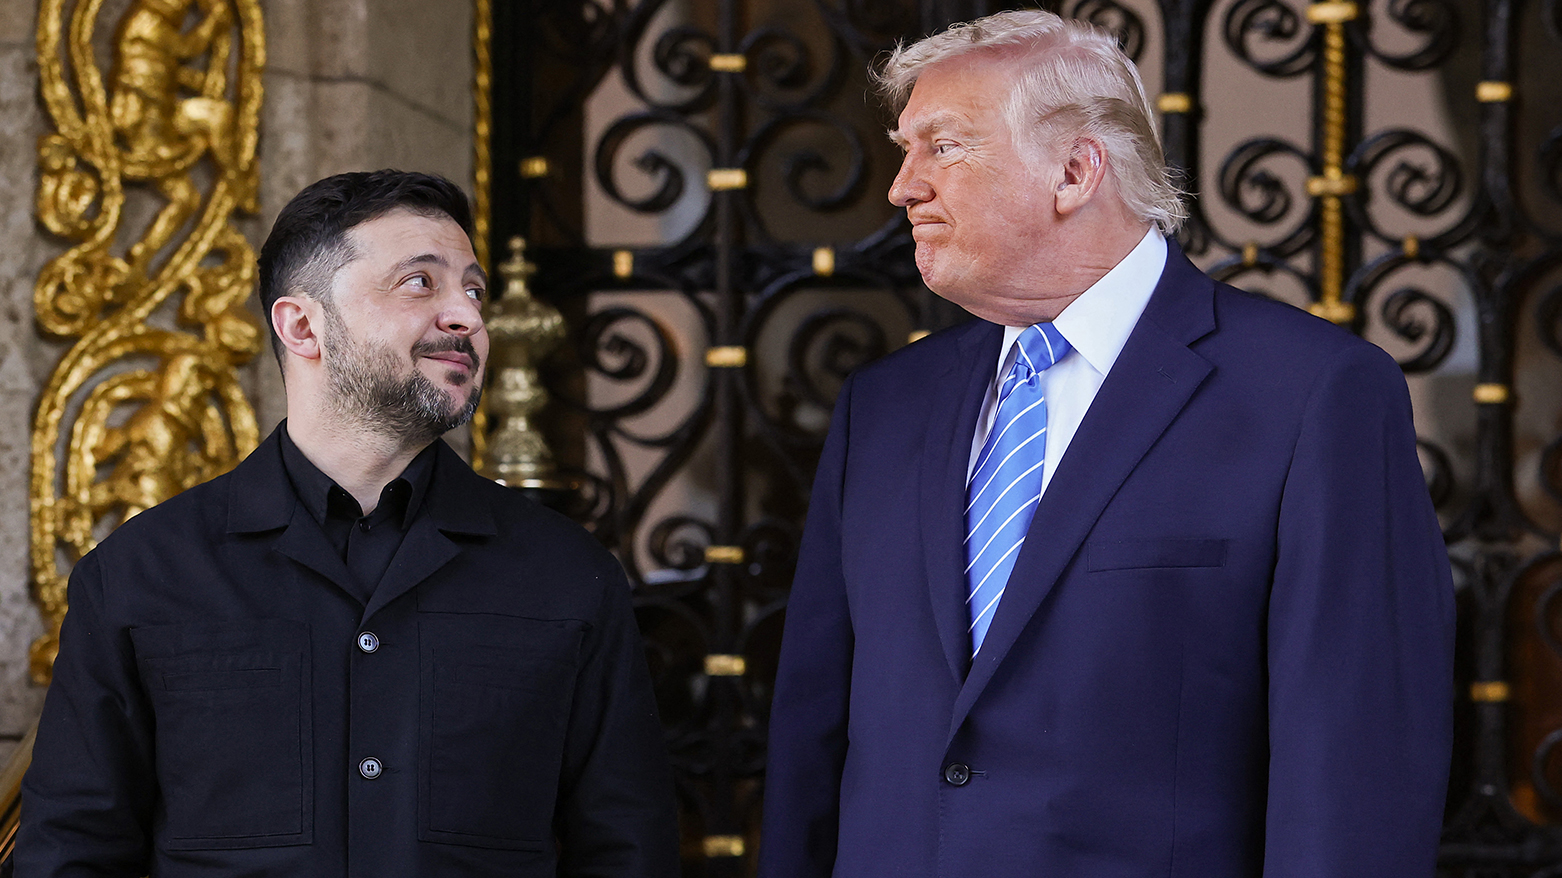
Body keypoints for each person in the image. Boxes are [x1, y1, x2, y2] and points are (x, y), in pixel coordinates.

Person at [759, 11, 1453, 878]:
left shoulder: (1312, 394)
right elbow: (814, 737)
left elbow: (1357, 764)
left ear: (1075, 171)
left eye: (943, 148)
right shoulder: (884, 407)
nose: (903, 187)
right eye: (906, 149)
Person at [18, 170, 680, 877]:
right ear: (302, 325)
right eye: (420, 283)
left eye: (473, 289)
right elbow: (71, 855)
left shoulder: (570, 577)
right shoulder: (137, 576)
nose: (467, 317)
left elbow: (627, 853)